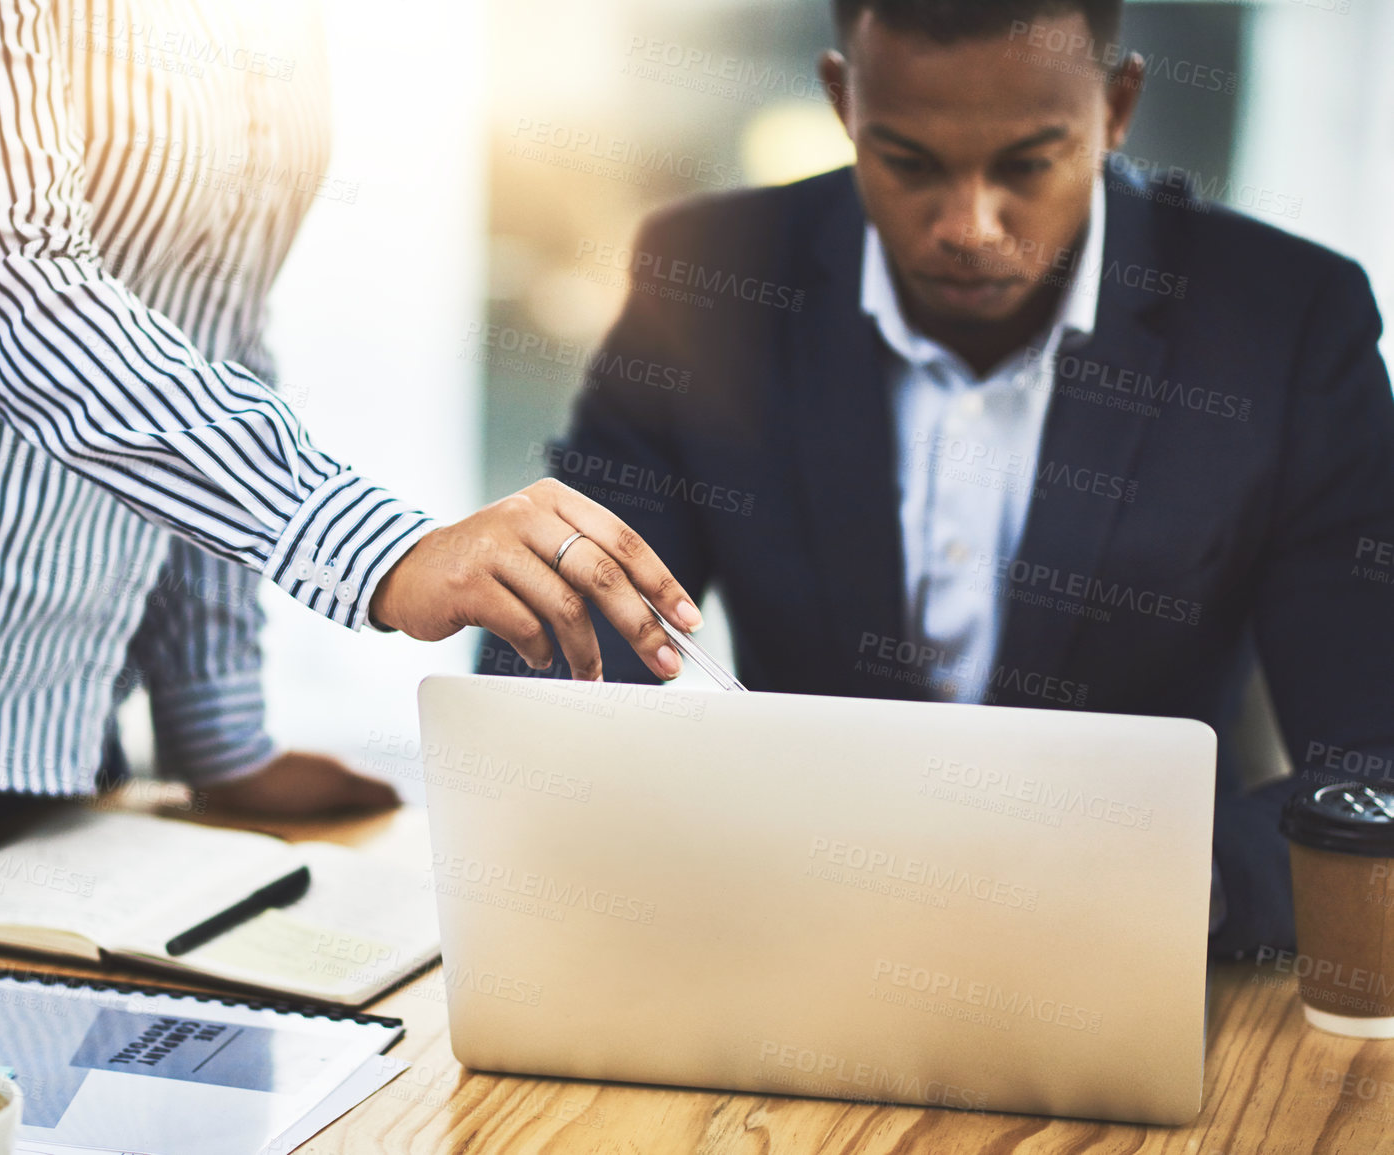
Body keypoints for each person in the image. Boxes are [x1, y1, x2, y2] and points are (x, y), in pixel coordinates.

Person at [0, 0, 703, 1044]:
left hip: (54, 743)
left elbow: (212, 338)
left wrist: (218, 732)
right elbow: (11, 283)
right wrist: (379, 546)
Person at [481, 0, 1394, 961]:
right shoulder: (710, 276)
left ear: (1117, 106)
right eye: (909, 163)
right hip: (790, 941)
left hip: (1133, 960)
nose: (970, 226)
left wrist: (1170, 883)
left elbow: (1375, 763)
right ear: (842, 98)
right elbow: (562, 653)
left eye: (1028, 163)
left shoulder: (1281, 321)